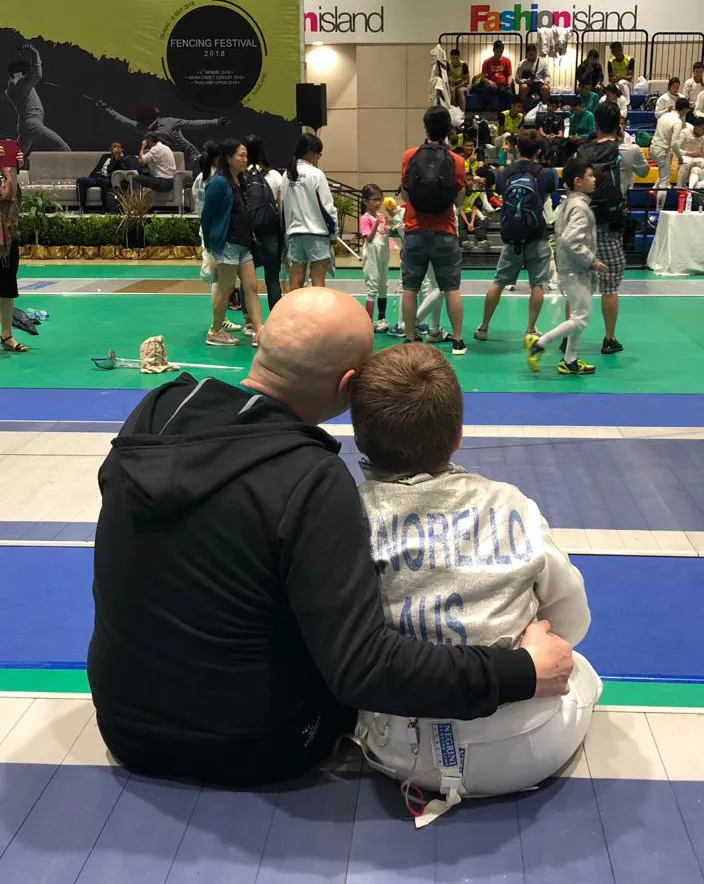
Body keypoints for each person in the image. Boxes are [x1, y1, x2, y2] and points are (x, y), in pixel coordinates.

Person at [87, 287, 575, 789]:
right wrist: (521, 671)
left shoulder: (160, 407)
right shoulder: (311, 481)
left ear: (262, 342)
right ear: (349, 388)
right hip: (254, 749)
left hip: (124, 728)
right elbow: (365, 669)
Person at [351, 344, 600, 804]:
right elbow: (573, 620)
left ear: (359, 438)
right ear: (459, 435)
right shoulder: (510, 502)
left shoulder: (351, 514)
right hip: (529, 744)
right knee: (580, 668)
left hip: (399, 749)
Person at [475, 134, 557, 342]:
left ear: (516, 149)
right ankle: (530, 329)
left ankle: (484, 326)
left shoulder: (504, 173)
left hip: (512, 238)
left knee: (498, 283)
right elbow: (548, 194)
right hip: (537, 237)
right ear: (538, 151)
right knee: (537, 284)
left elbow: (503, 194)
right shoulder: (546, 173)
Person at [527, 158, 605, 375]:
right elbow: (572, 240)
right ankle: (539, 344)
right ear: (578, 181)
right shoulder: (579, 207)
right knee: (581, 319)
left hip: (569, 268)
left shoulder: (567, 203)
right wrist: (592, 260)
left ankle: (570, 359)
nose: (594, 179)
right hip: (575, 269)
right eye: (590, 175)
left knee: (577, 316)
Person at [400, 105, 467, 355]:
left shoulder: (409, 156)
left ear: (425, 126)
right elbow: (459, 202)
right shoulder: (457, 161)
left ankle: (409, 337)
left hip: (415, 229)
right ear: (449, 129)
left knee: (411, 287)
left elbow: (406, 194)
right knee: (451, 288)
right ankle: (458, 341)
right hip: (445, 230)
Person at [575, 102, 633, 353]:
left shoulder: (581, 152)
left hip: (583, 225)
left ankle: (571, 337)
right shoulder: (625, 151)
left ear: (595, 123)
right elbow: (641, 171)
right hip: (609, 227)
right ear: (618, 124)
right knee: (609, 288)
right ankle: (609, 339)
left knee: (577, 286)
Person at [200, 139, 262, 346]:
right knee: (225, 290)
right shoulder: (217, 183)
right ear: (228, 158)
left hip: (243, 245)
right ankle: (215, 331)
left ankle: (259, 331)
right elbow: (206, 217)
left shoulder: (240, 181)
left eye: (246, 155)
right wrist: (210, 245)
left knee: (251, 286)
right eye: (241, 155)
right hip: (226, 245)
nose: (245, 159)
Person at [96, 101, 228, 171]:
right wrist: (106, 108)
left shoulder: (170, 122)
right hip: (165, 158)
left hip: (188, 154)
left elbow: (193, 124)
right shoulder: (140, 127)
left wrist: (215, 121)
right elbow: (122, 119)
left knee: (196, 169)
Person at [281, 133, 337, 290]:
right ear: (311, 153)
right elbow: (328, 207)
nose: (319, 157)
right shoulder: (316, 174)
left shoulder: (287, 174)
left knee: (296, 283)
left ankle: (295, 314)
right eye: (319, 154)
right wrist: (334, 234)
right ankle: (317, 315)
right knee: (318, 283)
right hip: (316, 235)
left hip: (294, 235)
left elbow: (283, 207)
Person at [3, 44, 70, 157]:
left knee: (16, 158)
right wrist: (35, 52)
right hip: (32, 123)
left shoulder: (11, 89)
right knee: (64, 149)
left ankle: (9, 173)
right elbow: (37, 74)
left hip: (24, 125)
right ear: (18, 73)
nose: (26, 74)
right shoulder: (21, 85)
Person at [244, 133, 283, 313]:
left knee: (247, 278)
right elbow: (281, 204)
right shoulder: (274, 175)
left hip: (246, 231)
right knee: (272, 277)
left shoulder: (240, 175)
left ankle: (249, 321)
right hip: (270, 229)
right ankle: (275, 315)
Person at [0, 144, 27, 352]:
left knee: (8, 285)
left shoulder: (9, 172)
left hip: (8, 234)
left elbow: (16, 198)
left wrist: (16, 166)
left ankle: (7, 335)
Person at [360, 183, 393, 332]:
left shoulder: (382, 217)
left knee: (383, 286)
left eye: (380, 199)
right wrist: (376, 224)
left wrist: (387, 229)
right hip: (371, 257)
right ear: (366, 201)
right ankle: (368, 320)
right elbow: (369, 239)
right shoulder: (365, 218)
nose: (378, 203)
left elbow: (385, 237)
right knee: (372, 287)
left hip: (383, 257)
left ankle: (382, 318)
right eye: (375, 199)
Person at [650, 98, 689, 210]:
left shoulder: (665, 116)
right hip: (662, 151)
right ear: (685, 110)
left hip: (653, 148)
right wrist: (680, 158)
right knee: (664, 183)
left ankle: (654, 188)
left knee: (667, 170)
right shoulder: (677, 122)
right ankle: (659, 212)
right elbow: (674, 144)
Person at [76, 142, 127, 212]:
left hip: (106, 179)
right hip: (96, 177)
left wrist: (118, 158)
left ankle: (104, 207)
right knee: (80, 180)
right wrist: (91, 177)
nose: (116, 149)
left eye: (118, 147)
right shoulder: (104, 156)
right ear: (111, 149)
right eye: (114, 147)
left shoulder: (120, 160)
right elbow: (98, 167)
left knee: (105, 182)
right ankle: (82, 207)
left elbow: (120, 170)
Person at [476, 40, 514, 109]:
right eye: (497, 52)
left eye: (501, 52)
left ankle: (505, 111)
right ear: (493, 50)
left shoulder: (507, 61)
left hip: (502, 85)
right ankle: (484, 110)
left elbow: (509, 75)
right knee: (485, 90)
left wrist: (508, 84)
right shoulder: (487, 62)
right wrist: (489, 82)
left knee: (507, 92)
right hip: (491, 85)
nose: (499, 54)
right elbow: (482, 76)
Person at [676, 116, 704, 188]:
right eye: (703, 129)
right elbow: (675, 148)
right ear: (696, 126)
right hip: (682, 157)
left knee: (702, 162)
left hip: (695, 158)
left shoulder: (702, 137)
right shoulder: (685, 132)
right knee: (687, 162)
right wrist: (688, 153)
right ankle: (679, 186)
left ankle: (696, 187)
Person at [448, 48, 470, 113]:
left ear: (459, 57)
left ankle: (463, 112)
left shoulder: (463, 65)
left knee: (460, 91)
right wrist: (452, 84)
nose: (455, 60)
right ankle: (453, 111)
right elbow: (448, 76)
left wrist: (456, 87)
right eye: (453, 58)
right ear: (450, 57)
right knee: (451, 91)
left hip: (462, 85)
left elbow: (467, 81)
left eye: (456, 58)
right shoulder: (448, 64)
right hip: (452, 84)